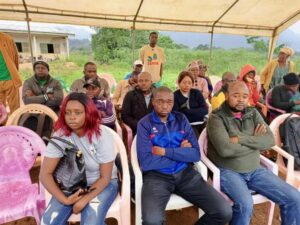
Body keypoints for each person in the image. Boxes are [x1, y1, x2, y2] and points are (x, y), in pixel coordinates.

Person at [207, 81, 300, 225]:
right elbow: (225, 150)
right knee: (245, 205)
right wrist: (256, 142)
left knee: (294, 197)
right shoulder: (216, 117)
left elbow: (269, 141)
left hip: (256, 170)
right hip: (229, 171)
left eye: (244, 96)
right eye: (236, 95)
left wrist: (240, 138)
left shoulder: (253, 112)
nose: (241, 100)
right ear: (226, 96)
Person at [137, 86, 232, 225]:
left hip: (186, 175)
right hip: (157, 177)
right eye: (160, 101)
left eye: (169, 102)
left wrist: (165, 152)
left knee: (224, 211)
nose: (165, 106)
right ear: (153, 101)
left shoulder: (181, 119)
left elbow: (195, 154)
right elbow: (147, 162)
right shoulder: (144, 124)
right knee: (152, 221)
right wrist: (181, 153)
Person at [40, 92, 118, 225]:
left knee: (91, 222)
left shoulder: (101, 136)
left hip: (104, 183)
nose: (72, 117)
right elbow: (45, 175)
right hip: (71, 183)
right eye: (68, 112)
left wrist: (84, 199)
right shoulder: (61, 135)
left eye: (78, 112)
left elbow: (105, 177)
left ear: (88, 113)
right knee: (48, 222)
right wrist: (65, 200)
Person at [173, 71, 208, 137]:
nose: (187, 85)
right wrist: (197, 112)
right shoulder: (175, 95)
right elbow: (177, 115)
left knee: (209, 136)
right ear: (179, 83)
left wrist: (187, 111)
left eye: (189, 83)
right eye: (184, 82)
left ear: (192, 84)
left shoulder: (196, 93)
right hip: (186, 125)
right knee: (196, 138)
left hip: (202, 123)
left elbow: (205, 110)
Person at [0, 32, 22, 114]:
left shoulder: (7, 39)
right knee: (0, 110)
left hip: (10, 78)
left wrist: (15, 73)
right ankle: (2, 126)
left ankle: (15, 124)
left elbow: (16, 57)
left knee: (14, 107)